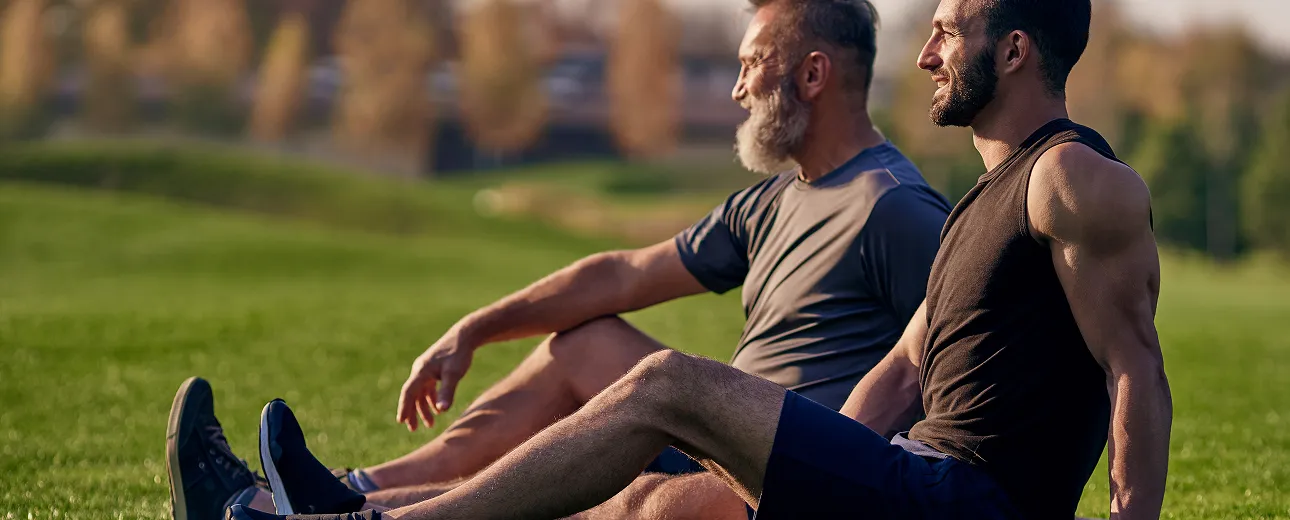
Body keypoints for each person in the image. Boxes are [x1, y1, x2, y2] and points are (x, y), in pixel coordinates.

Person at [226, 0, 1174, 518]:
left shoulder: (1073, 180)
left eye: (947, 30)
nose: (926, 54)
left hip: (962, 501)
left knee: (667, 382)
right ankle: (357, 511)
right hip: (905, 480)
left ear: (1012, 51)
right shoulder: (982, 201)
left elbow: (1135, 366)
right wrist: (800, 477)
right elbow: (905, 367)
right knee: (647, 495)